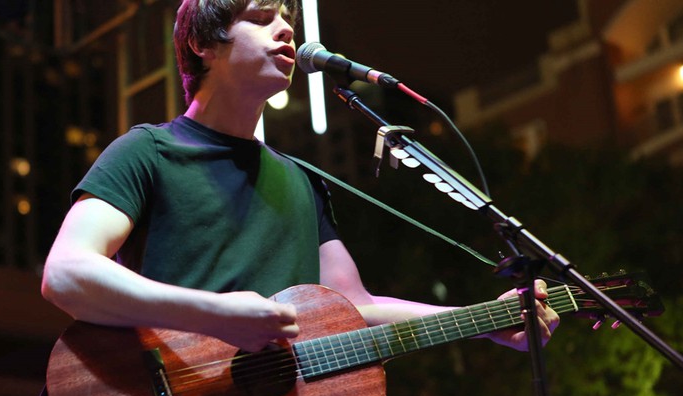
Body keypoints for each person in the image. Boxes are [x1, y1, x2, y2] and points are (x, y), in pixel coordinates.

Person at [42, 0, 558, 376]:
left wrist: (483, 320)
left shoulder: (301, 180)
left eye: (287, 17)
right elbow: (65, 274)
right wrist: (217, 314)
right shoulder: (147, 152)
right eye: (263, 17)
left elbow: (352, 309)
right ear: (202, 45)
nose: (287, 28)